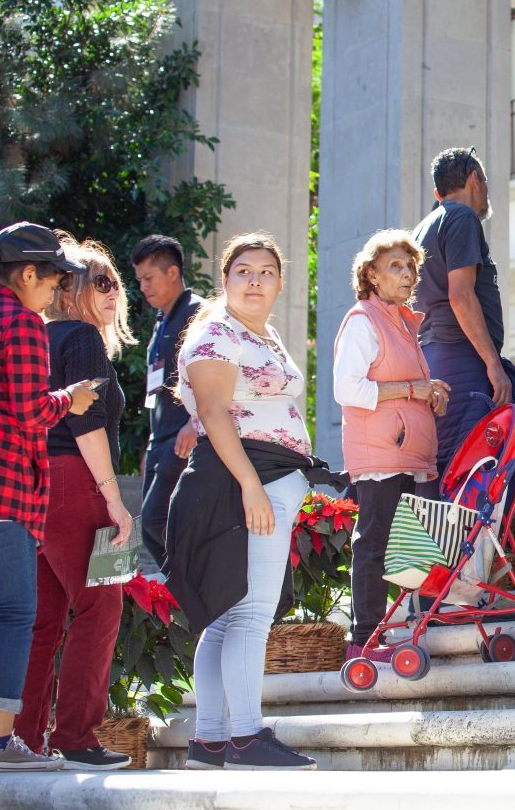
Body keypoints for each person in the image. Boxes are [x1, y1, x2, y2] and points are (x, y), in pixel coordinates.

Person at [166, 231, 327, 771]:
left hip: (267, 478)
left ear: (281, 282)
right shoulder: (216, 333)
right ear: (225, 279)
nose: (254, 280)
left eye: (265, 271)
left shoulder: (263, 335)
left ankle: (211, 741)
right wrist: (253, 488)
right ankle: (246, 736)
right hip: (244, 480)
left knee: (228, 614)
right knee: (250, 614)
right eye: (243, 271)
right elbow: (213, 414)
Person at [0, 222, 95, 772]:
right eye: (54, 278)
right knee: (15, 614)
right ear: (28, 273)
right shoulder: (21, 322)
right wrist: (72, 398)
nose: (57, 291)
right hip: (0, 493)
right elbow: (31, 412)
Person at [15, 237, 137, 769]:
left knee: (43, 617)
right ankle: (76, 736)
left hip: (33, 487)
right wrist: (114, 500)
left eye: (116, 282)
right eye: (100, 282)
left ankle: (21, 739)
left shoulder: (35, 337)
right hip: (76, 480)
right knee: (101, 605)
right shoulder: (82, 337)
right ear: (68, 290)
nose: (114, 292)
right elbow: (84, 421)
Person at [333, 230, 449, 660]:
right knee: (375, 543)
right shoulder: (363, 319)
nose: (407, 274)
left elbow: (404, 387)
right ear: (372, 275)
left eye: (411, 267)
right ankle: (363, 641)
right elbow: (347, 389)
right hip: (381, 453)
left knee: (400, 546)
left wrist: (428, 393)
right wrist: (412, 390)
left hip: (407, 453)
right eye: (396, 266)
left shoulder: (402, 323)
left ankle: (389, 632)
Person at [412, 147, 515, 491]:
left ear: (437, 192)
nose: (487, 191)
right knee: (469, 479)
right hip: (461, 360)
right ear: (476, 179)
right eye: (486, 182)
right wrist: (492, 364)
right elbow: (461, 295)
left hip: (434, 358)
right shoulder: (461, 217)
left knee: (443, 474)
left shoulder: (424, 226)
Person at [132, 234, 204, 570]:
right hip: (159, 440)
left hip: (185, 436)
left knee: (155, 520)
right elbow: (157, 388)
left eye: (149, 278)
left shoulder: (198, 313)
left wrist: (195, 423)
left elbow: (215, 375)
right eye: (140, 280)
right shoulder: (162, 319)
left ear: (172, 272)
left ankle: (195, 588)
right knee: (150, 530)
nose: (143, 287)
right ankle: (186, 596)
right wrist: (150, 445)